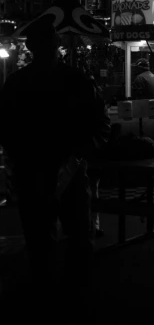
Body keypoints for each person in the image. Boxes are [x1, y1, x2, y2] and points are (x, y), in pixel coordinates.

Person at [0, 21, 110, 315]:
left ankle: (44, 294)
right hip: (67, 167)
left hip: (33, 168)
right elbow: (100, 126)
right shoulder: (77, 80)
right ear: (56, 46)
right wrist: (79, 153)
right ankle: (76, 294)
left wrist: (18, 158)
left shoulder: (16, 84)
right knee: (76, 234)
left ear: (30, 47)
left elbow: (6, 130)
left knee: (40, 236)